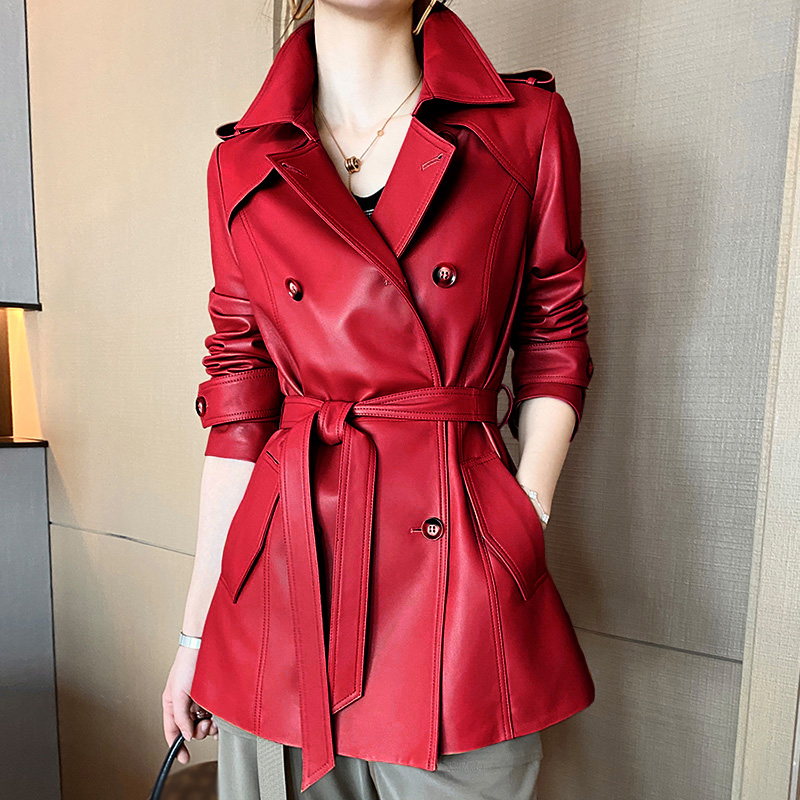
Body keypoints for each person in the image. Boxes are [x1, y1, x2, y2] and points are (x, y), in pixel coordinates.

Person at [161, 0, 596, 797]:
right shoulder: (240, 163)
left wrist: (520, 518)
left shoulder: (524, 127)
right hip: (285, 588)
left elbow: (554, 334)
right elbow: (238, 400)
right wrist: (195, 633)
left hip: (457, 581)